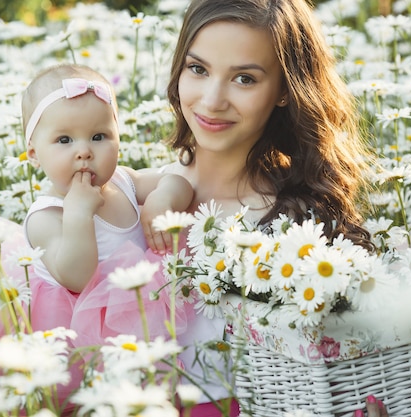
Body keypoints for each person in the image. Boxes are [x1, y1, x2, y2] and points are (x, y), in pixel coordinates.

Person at [157, 0, 376, 415]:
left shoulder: (297, 225)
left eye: (244, 78)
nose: (212, 100)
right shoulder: (133, 199)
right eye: (197, 69)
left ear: (284, 92)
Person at [21, 63, 194, 404]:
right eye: (64, 140)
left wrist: (162, 197)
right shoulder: (46, 216)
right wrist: (78, 214)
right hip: (86, 338)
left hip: (148, 318)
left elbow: (179, 179)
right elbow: (75, 275)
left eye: (99, 136)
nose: (84, 150)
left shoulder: (125, 181)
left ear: (118, 138)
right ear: (34, 154)